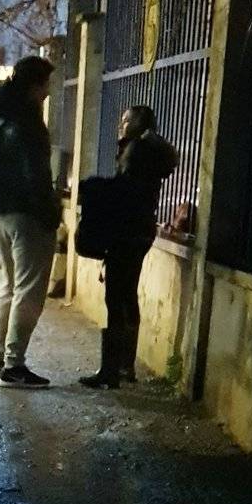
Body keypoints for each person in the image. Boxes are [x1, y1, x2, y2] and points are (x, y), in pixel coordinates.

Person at [80, 105, 177, 389]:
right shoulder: (153, 150)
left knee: (115, 298)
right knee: (127, 295)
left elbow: (124, 191)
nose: (120, 125)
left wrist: (93, 187)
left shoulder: (136, 150)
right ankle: (125, 366)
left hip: (125, 232)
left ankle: (110, 371)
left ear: (138, 123)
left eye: (125, 120)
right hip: (140, 231)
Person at [0, 55, 60, 388]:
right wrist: (50, 213)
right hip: (28, 216)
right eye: (45, 85)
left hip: (0, 213)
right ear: (34, 86)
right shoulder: (29, 123)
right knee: (29, 291)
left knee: (9, 287)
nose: (47, 92)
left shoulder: (1, 116)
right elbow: (35, 176)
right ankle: (14, 367)